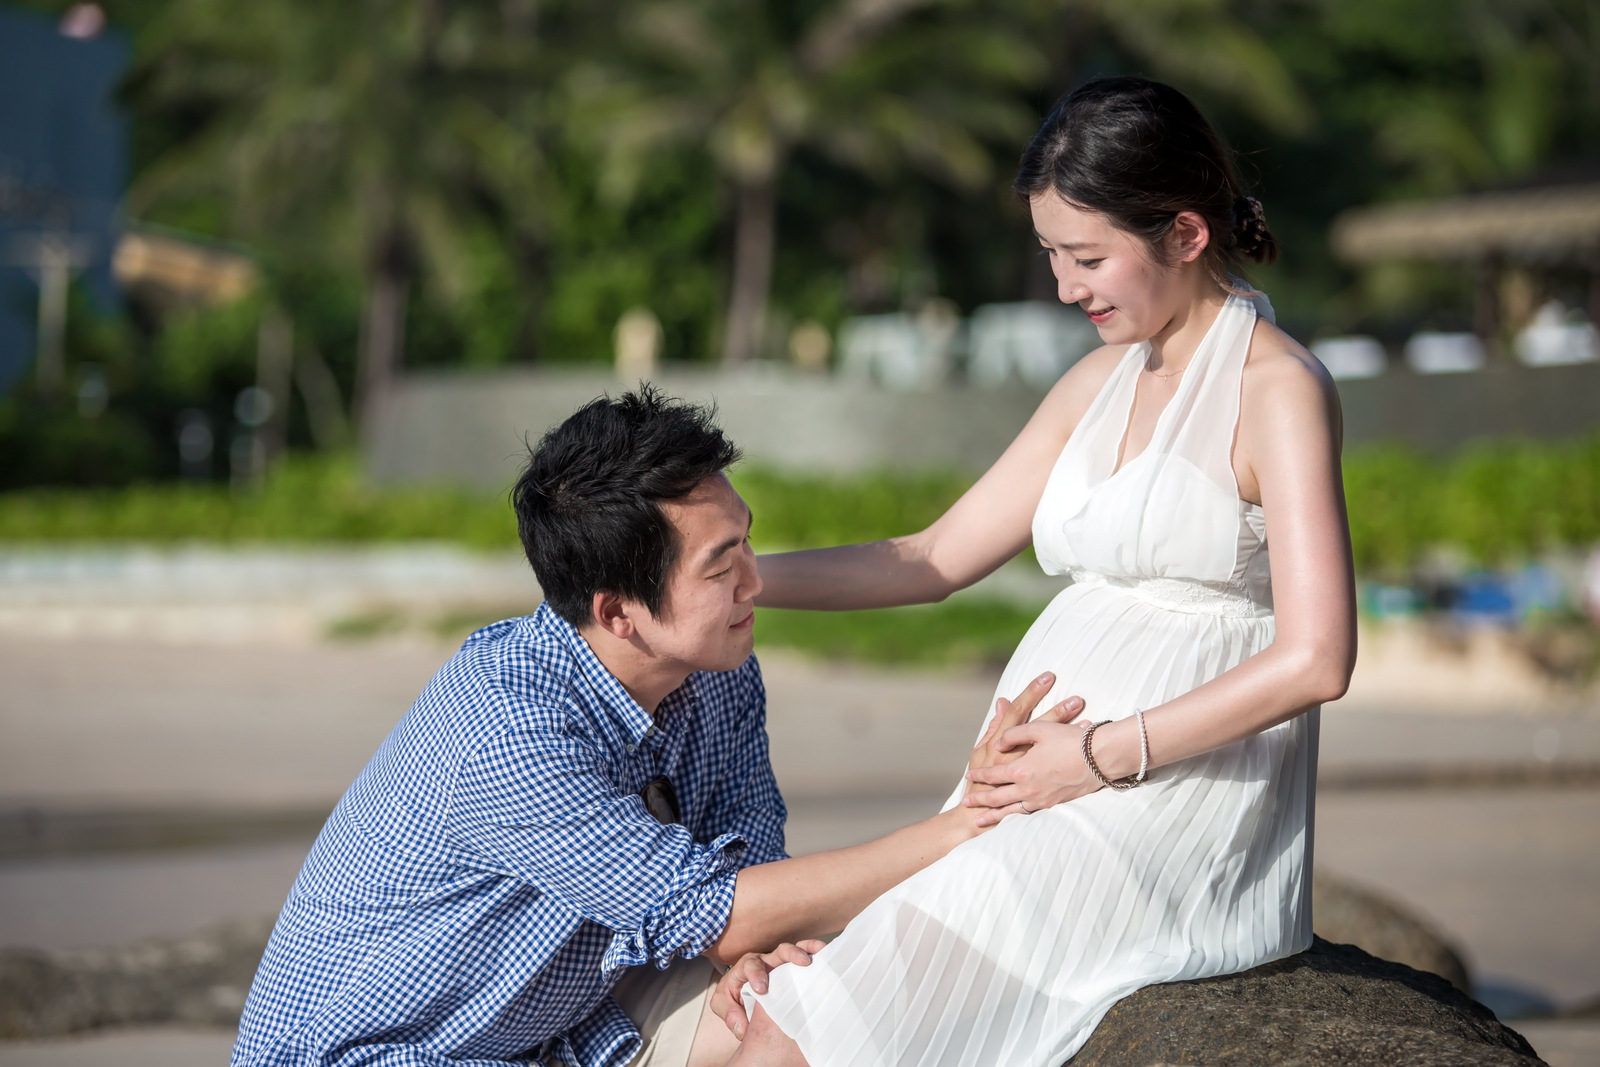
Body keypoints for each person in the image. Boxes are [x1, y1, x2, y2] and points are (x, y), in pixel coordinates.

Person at [717, 76, 1358, 1067]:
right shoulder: (1096, 381)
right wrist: (739, 580)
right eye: (1052, 255)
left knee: (813, 1029)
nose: (1065, 287)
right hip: (1045, 789)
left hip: (1167, 801)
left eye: (1088, 256)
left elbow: (1317, 657)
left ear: (1185, 234)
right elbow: (934, 556)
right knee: (773, 1016)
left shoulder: (1279, 389)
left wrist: (1099, 754)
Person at [231, 388, 1071, 1067]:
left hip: (560, 1015)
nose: (755, 581)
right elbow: (717, 907)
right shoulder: (509, 730)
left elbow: (743, 855)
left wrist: (742, 956)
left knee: (799, 1012)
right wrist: (966, 822)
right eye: (721, 564)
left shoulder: (716, 665)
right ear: (617, 612)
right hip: (388, 1052)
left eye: (746, 542)